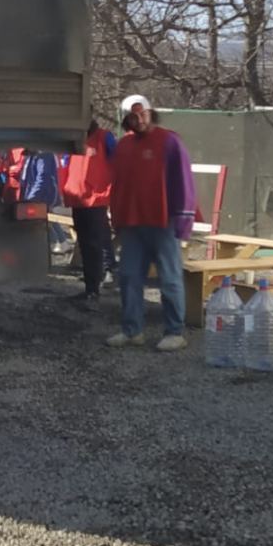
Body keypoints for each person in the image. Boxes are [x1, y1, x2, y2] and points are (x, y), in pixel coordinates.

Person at [105, 93, 196, 352]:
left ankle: (175, 331)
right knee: (129, 276)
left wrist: (184, 218)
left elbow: (184, 182)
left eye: (142, 113)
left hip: (163, 221)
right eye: (133, 116)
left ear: (150, 112)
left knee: (169, 278)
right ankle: (132, 330)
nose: (139, 119)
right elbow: (118, 185)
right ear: (127, 119)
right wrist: (117, 217)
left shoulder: (169, 141)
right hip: (132, 223)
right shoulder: (123, 146)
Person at [59, 118, 117, 304]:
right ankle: (90, 288)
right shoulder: (75, 140)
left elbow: (118, 164)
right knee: (85, 246)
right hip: (77, 199)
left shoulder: (104, 138)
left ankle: (94, 291)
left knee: (93, 245)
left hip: (95, 200)